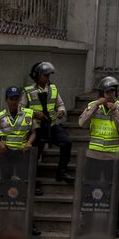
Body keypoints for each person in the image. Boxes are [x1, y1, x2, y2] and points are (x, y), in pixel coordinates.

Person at [78, 76, 119, 237]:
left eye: (113, 91)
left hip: (113, 156)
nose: (110, 95)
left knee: (113, 192)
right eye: (107, 92)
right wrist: (95, 106)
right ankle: (88, 223)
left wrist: (115, 112)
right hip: (94, 155)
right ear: (101, 93)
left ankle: (114, 225)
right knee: (91, 190)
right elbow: (82, 123)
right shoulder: (92, 106)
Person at [21, 61, 73, 195]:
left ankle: (62, 172)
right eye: (45, 75)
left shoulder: (53, 89)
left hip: (51, 125)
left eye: (49, 75)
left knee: (66, 142)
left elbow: (60, 104)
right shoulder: (28, 91)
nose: (48, 77)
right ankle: (31, 183)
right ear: (37, 75)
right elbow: (21, 109)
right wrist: (33, 113)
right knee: (34, 154)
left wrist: (61, 111)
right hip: (37, 127)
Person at [0, 86, 36, 179]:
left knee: (22, 180)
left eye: (16, 99)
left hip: (22, 152)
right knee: (5, 180)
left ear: (19, 100)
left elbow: (33, 133)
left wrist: (29, 143)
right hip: (6, 153)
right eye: (11, 99)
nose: (13, 102)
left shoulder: (28, 114)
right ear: (6, 100)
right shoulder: (0, 117)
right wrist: (0, 144)